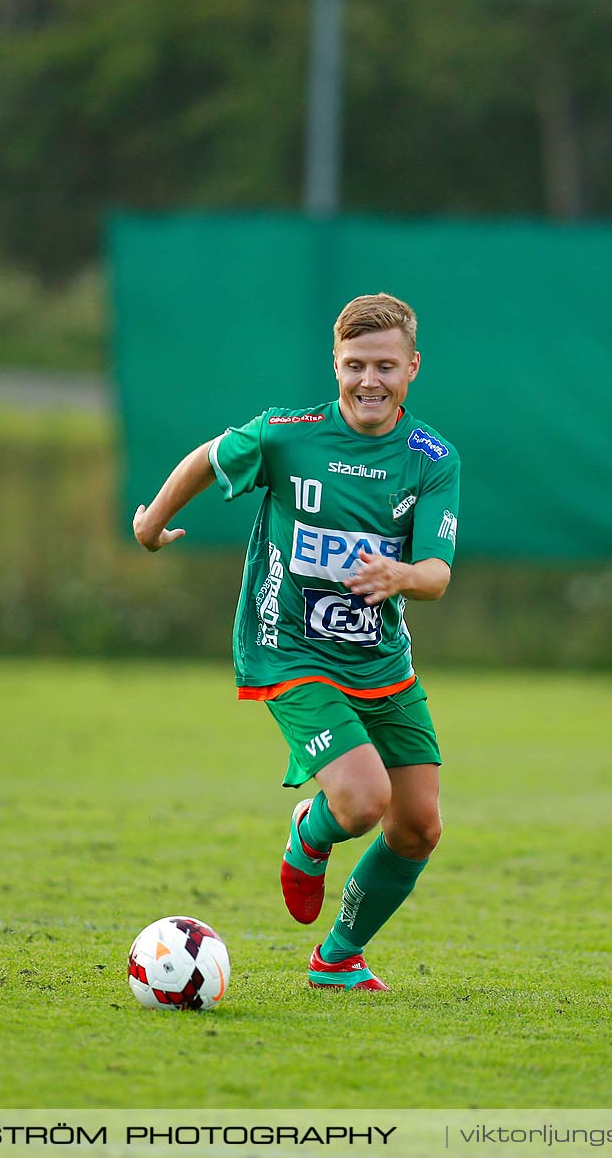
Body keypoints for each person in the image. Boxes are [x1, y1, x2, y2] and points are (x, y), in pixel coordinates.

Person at [132, 292, 460, 992]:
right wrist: (150, 523)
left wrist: (399, 574)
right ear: (335, 365)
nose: (369, 381)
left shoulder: (432, 458)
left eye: (385, 366)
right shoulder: (288, 434)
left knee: (418, 827)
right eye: (354, 365)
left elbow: (436, 575)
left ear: (413, 368)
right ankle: (310, 835)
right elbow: (205, 458)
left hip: (381, 662)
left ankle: (338, 957)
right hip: (288, 652)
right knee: (364, 800)